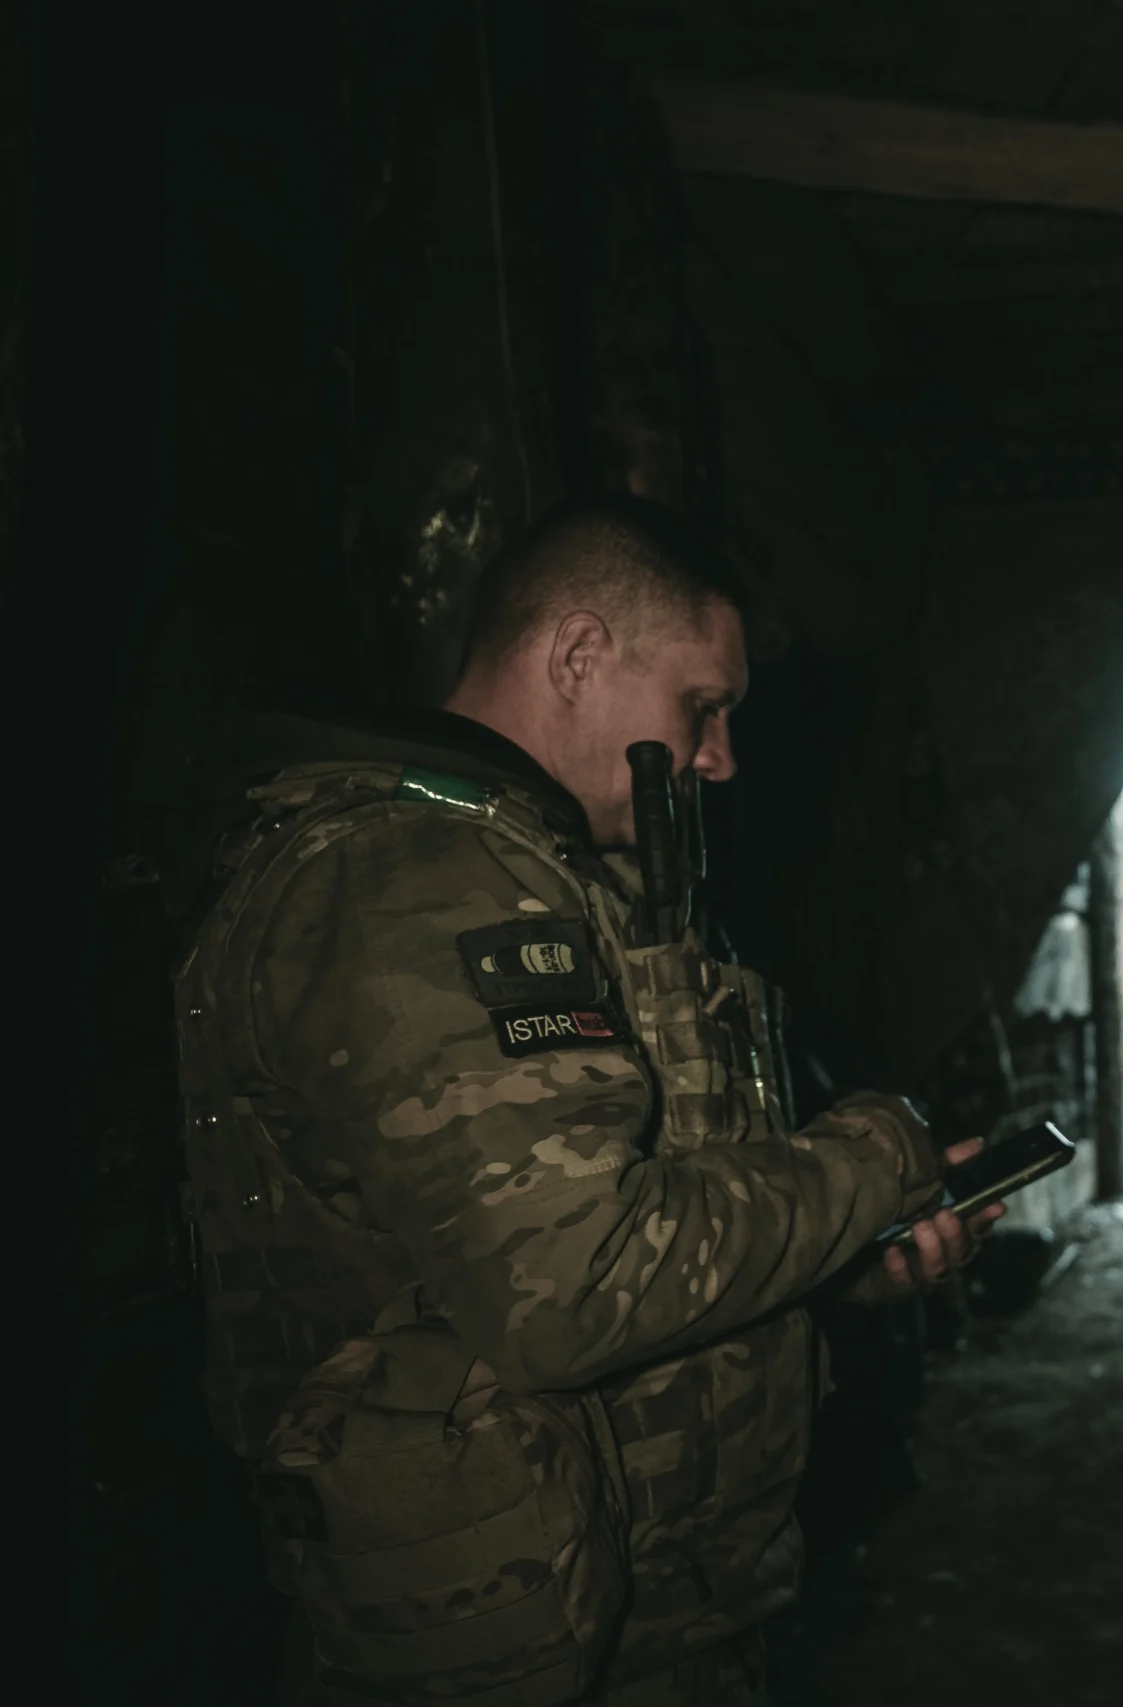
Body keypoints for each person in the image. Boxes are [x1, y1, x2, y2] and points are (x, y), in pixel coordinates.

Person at [177, 495, 999, 1705]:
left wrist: (836, 1264)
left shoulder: (544, 871)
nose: (719, 758)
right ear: (575, 655)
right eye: (701, 708)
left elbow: (642, 1204)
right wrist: (878, 1157)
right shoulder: (418, 886)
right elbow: (574, 1285)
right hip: (526, 1640)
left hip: (647, 1608)